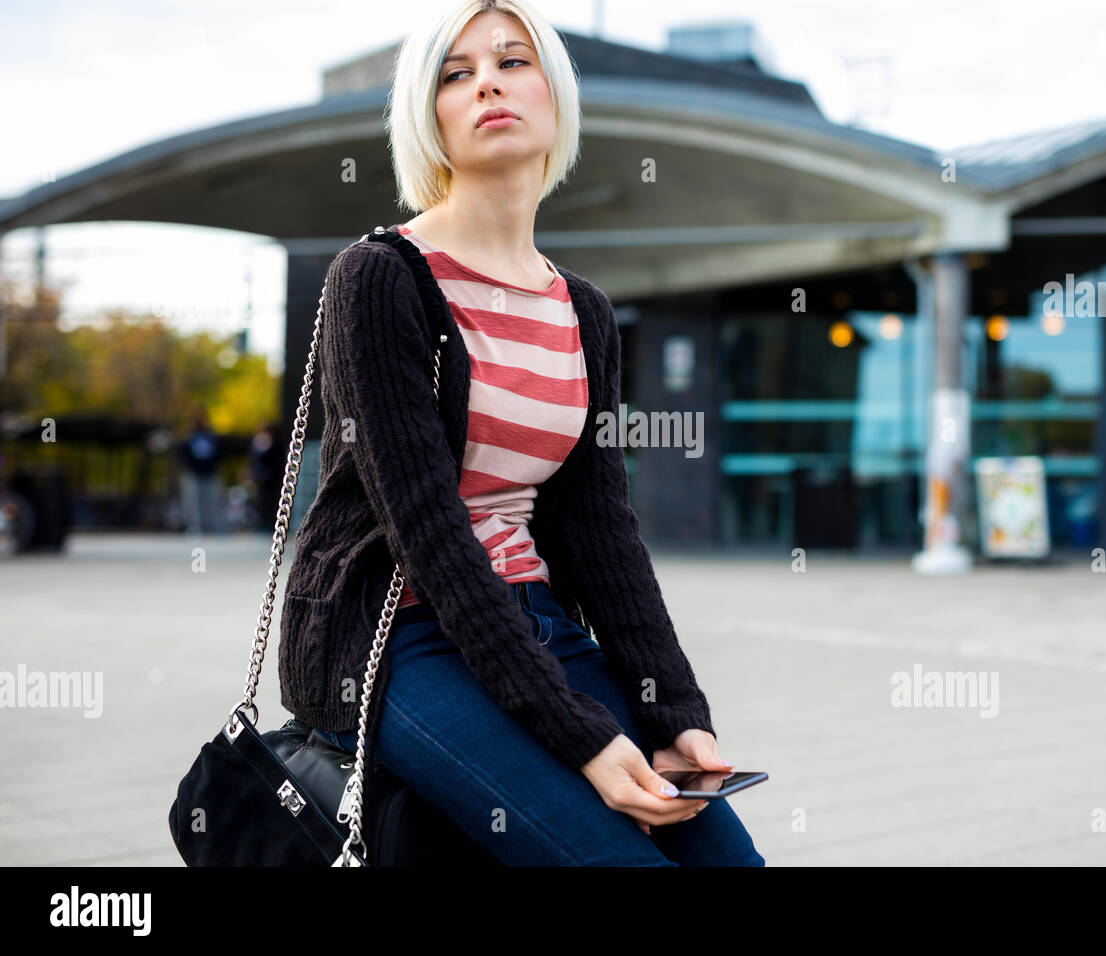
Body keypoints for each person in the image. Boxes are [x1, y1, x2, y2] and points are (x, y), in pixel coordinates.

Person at [278, 0, 763, 866]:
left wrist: (673, 710)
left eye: (512, 61)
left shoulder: (582, 311)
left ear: (554, 95)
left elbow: (599, 530)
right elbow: (426, 531)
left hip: (532, 618)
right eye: (455, 74)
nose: (488, 84)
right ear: (429, 117)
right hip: (397, 633)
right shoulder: (380, 279)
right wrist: (577, 732)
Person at [177, 409, 222, 535]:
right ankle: (196, 526)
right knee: (193, 502)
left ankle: (212, 525)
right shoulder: (189, 436)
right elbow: (182, 453)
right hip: (194, 474)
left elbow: (218, 452)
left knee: (211, 501)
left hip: (210, 474)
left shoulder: (211, 436)